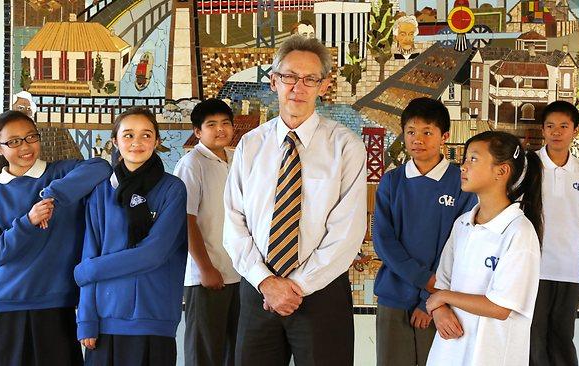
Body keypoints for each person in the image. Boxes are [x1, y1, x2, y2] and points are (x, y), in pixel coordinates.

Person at [223, 35, 367, 366]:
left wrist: (296, 287)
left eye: (309, 79)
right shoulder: (250, 145)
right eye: (288, 77)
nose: (297, 87)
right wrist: (266, 282)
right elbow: (233, 222)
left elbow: (346, 232)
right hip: (258, 290)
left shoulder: (345, 146)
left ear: (324, 85)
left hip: (321, 292)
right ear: (274, 81)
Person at [0, 110, 111, 365]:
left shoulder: (61, 173)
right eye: (13, 141)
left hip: (58, 303)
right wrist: (29, 221)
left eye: (30, 137)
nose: (25, 146)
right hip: (9, 305)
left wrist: (54, 195)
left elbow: (101, 166)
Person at [73, 107, 189, 366]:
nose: (137, 142)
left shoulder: (173, 189)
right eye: (128, 135)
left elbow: (153, 254)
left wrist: (88, 270)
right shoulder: (101, 191)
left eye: (146, 135)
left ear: (157, 142)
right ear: (114, 141)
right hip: (105, 318)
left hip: (153, 316)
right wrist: (87, 320)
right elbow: (90, 248)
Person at [372, 97, 476, 366]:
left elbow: (460, 245)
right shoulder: (392, 181)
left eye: (427, 132)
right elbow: (383, 240)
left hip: (443, 299)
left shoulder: (461, 183)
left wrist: (429, 299)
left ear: (445, 136)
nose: (418, 139)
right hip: (393, 296)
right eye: (411, 132)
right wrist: (424, 280)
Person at [425, 131, 543, 366]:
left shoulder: (519, 232)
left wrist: (442, 297)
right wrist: (439, 309)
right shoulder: (462, 224)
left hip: (492, 355)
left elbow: (500, 307)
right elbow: (442, 282)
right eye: (465, 159)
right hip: (449, 352)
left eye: (473, 159)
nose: (463, 167)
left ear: (501, 171)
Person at [173, 98, 240, 366]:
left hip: (239, 273)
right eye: (211, 124)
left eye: (225, 123)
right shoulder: (192, 164)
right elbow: (186, 220)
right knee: (204, 352)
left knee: (235, 351)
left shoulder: (236, 159)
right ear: (198, 132)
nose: (220, 129)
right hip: (207, 275)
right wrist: (205, 268)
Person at [530, 101, 579, 366]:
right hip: (534, 264)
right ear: (543, 130)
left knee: (562, 334)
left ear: (575, 131)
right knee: (534, 332)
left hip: (569, 266)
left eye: (564, 126)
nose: (556, 132)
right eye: (550, 126)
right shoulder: (529, 165)